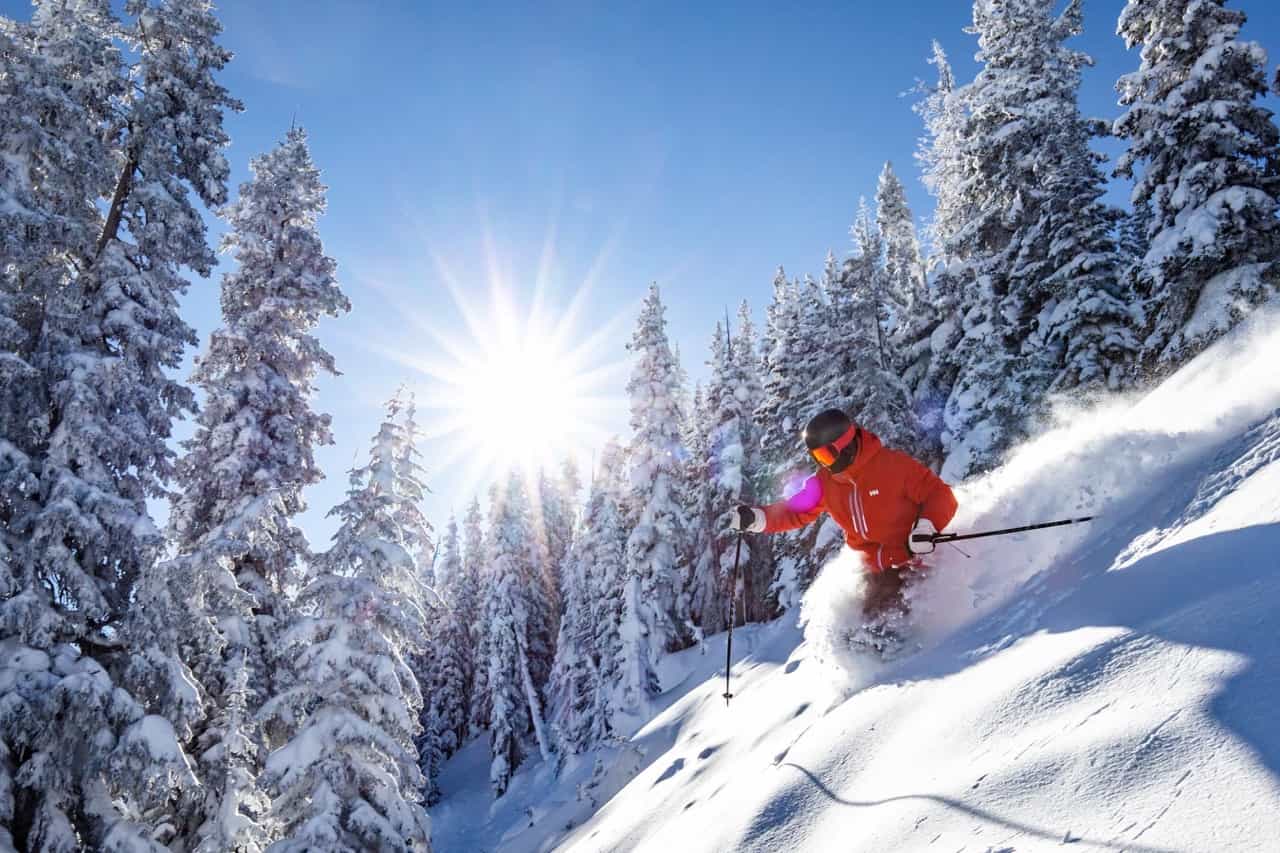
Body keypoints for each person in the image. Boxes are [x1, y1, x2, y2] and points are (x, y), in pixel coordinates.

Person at [730, 408, 958, 638]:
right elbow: (795, 510)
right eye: (818, 458)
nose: (825, 465)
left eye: (827, 456)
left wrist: (926, 527)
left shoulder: (893, 466)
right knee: (848, 633)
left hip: (911, 560)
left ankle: (918, 662)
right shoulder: (826, 482)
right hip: (871, 571)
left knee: (878, 633)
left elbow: (940, 495)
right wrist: (758, 518)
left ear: (846, 444)